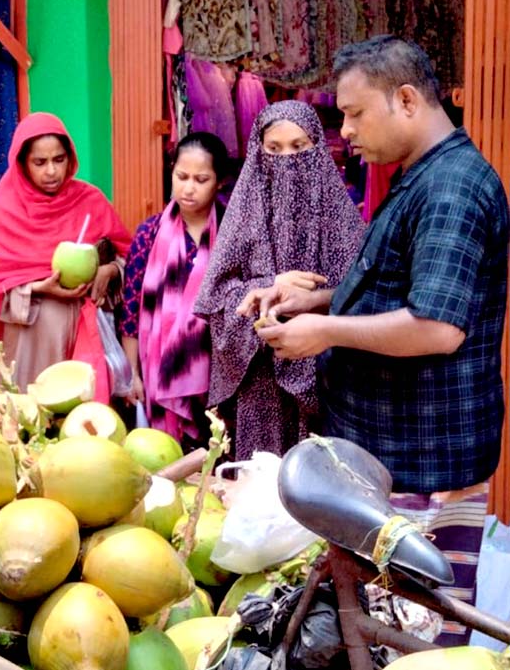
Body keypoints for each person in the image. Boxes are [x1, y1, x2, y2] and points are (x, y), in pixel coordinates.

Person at [241, 36, 509, 646]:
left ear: (407, 100)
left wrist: (324, 331)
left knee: (420, 638)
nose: (346, 129)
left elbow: (436, 328)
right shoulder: (421, 177)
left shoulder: (451, 190)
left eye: (355, 112)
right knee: (383, 629)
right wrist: (321, 299)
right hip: (396, 453)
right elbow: (402, 290)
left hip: (422, 464)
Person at [194, 100, 365, 459]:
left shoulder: (341, 221)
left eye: (299, 148)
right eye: (274, 149)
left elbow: (365, 298)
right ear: (259, 152)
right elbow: (216, 299)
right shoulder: (242, 217)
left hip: (327, 386)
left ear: (317, 149)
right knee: (261, 490)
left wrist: (316, 304)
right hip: (259, 387)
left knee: (323, 490)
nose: (287, 159)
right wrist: (270, 284)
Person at [0, 112, 132, 394]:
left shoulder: (89, 200)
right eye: (39, 162)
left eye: (59, 160)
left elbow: (131, 256)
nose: (51, 172)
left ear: (70, 158)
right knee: (33, 420)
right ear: (22, 163)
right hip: (30, 345)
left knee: (84, 427)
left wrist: (111, 270)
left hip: (86, 340)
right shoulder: (3, 209)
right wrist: (37, 288)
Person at [120, 133, 229, 447]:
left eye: (201, 179)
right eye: (181, 176)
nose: (188, 187)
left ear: (219, 181)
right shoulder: (149, 233)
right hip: (158, 370)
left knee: (212, 454)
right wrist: (134, 375)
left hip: (215, 373)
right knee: (164, 454)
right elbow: (132, 309)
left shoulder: (230, 232)